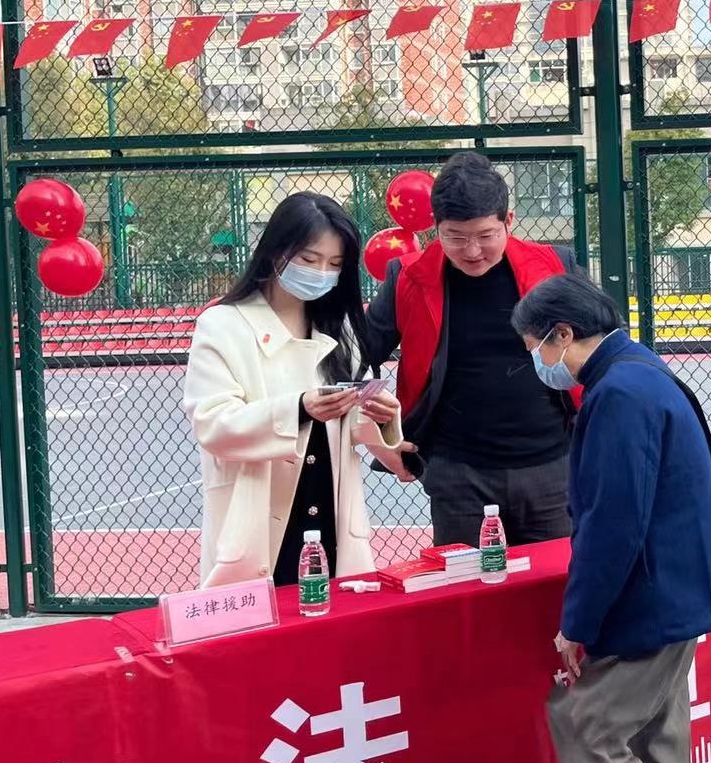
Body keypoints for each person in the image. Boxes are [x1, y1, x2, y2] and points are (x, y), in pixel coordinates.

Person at [511, 272, 711, 763]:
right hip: (680, 589)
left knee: (587, 726)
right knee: (655, 733)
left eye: (535, 347)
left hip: (652, 596)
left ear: (563, 335)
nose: (538, 362)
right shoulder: (642, 369)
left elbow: (612, 523)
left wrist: (577, 623)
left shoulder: (617, 395)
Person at [184, 193, 410, 588]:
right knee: (259, 618)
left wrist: (381, 416)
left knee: (335, 615)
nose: (322, 273)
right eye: (309, 259)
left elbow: (350, 425)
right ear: (276, 252)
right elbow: (213, 424)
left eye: (335, 265)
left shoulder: (339, 330)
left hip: (330, 515)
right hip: (260, 520)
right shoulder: (223, 326)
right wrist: (299, 408)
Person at [363, 150, 582, 549]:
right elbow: (351, 358)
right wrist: (376, 438)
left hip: (552, 467)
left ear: (508, 221)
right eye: (456, 237)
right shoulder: (409, 278)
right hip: (457, 474)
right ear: (436, 227)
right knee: (466, 586)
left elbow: (603, 346)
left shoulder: (554, 266)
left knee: (558, 582)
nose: (473, 251)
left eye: (485, 236)